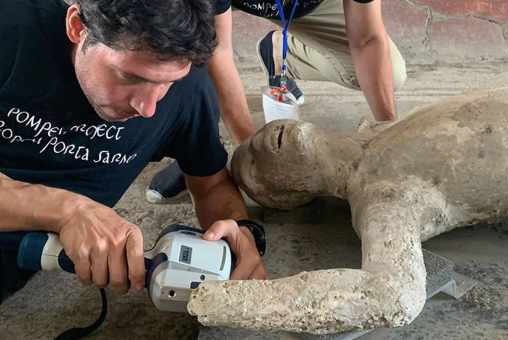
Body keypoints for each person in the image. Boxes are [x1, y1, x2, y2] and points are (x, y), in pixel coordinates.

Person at [0, 0, 266, 304]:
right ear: (77, 26)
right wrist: (67, 210)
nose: (148, 107)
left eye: (167, 82)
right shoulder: (11, 31)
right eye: (131, 77)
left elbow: (212, 185)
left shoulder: (189, 93)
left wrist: (240, 232)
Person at [145, 0, 407, 204]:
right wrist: (254, 156)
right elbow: (218, 50)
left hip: (305, 7)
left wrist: (388, 135)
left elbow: (367, 40)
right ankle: (194, 145)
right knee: (182, 42)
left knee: (390, 72)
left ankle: (281, 52)